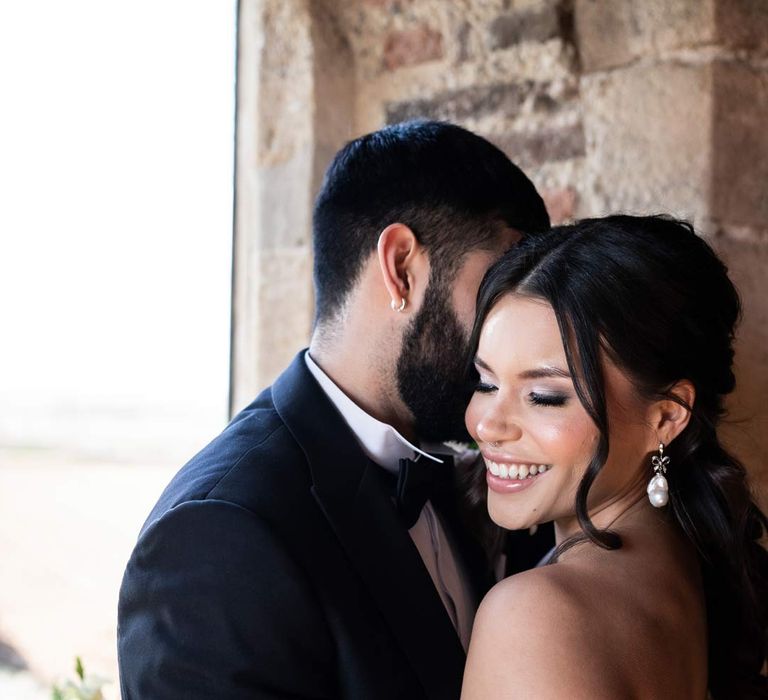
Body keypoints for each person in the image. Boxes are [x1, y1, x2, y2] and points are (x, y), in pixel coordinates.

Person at [117, 120, 554, 699]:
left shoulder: (460, 475)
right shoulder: (217, 535)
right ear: (401, 267)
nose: (508, 335)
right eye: (495, 292)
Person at [460, 215, 768, 699]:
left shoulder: (533, 616)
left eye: (543, 396)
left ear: (666, 418)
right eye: (486, 383)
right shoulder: (692, 571)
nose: (487, 425)